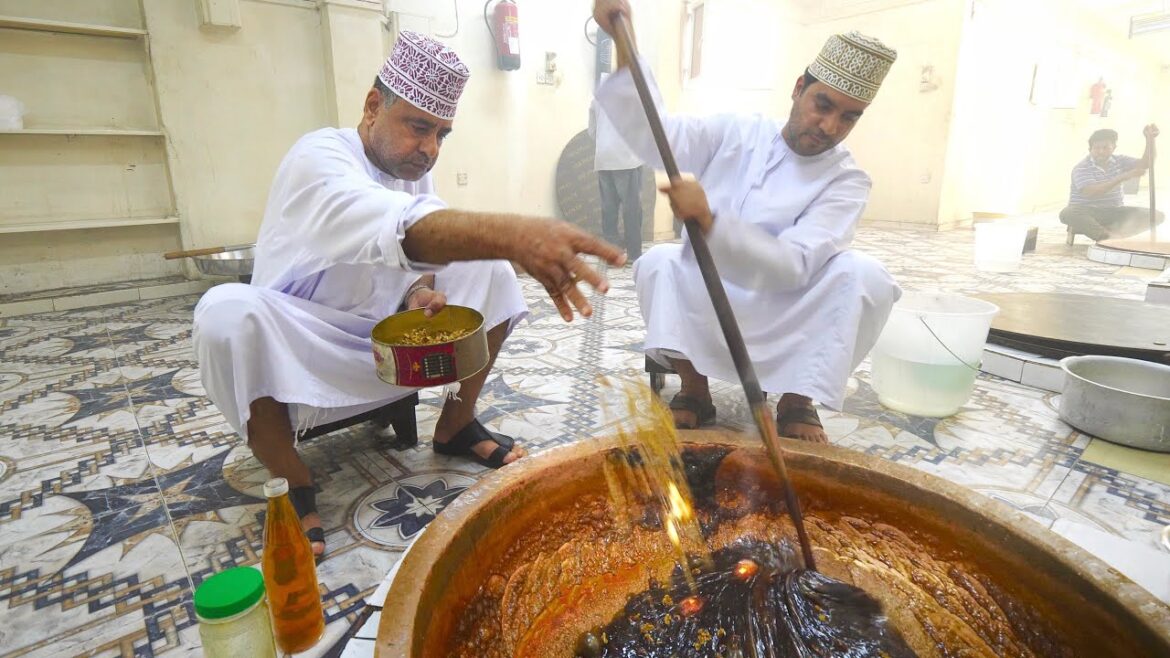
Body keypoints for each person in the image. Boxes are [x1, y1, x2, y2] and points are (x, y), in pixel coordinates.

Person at [193, 32, 624, 556]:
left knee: (493, 274)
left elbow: (415, 253)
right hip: (300, 346)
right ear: (373, 106)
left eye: (442, 133)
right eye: (419, 127)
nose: (431, 149)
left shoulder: (412, 169)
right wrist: (514, 234)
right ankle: (292, 478)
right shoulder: (320, 156)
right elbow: (399, 226)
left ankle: (456, 424)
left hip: (386, 345)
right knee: (223, 315)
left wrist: (420, 292)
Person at [593, 1, 900, 443]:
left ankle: (798, 398)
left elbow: (792, 264)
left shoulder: (848, 179)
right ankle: (694, 387)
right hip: (711, 284)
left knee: (865, 274)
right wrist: (624, 41)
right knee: (658, 262)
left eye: (848, 116)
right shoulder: (737, 132)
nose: (830, 125)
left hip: (790, 298)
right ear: (799, 88)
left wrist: (710, 221)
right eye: (823, 104)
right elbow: (654, 134)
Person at [1059, 125, 1162, 242]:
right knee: (1068, 213)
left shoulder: (1120, 160)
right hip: (1088, 212)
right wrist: (1122, 177)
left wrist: (1150, 140)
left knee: (1156, 215)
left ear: (1114, 148)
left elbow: (1146, 163)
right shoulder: (1081, 168)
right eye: (1096, 148)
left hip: (1115, 211)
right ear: (1090, 149)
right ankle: (1108, 238)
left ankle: (1116, 235)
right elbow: (1092, 192)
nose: (1101, 151)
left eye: (1106, 147)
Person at [590, 100, 646, 260]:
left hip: (603, 158)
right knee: (632, 210)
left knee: (609, 209)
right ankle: (634, 254)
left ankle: (611, 254)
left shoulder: (597, 99)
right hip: (626, 159)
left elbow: (592, 131)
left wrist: (605, 143)